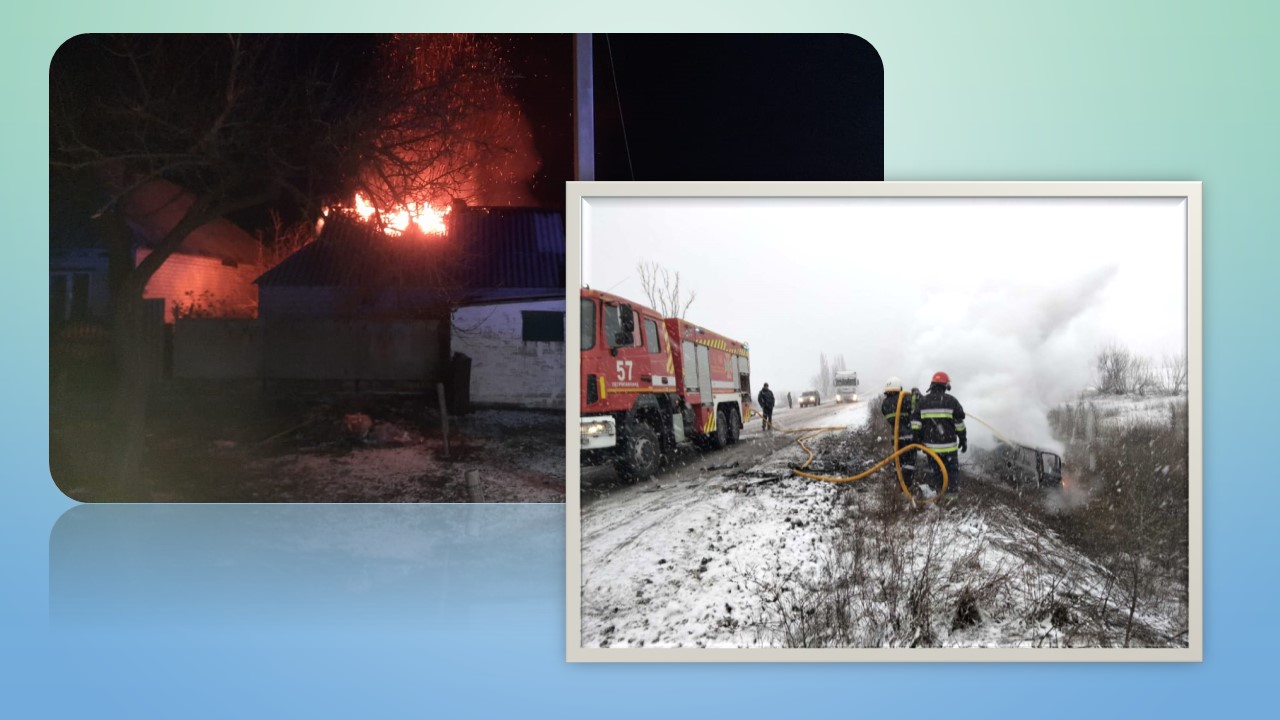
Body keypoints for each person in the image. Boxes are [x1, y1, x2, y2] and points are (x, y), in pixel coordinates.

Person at [911, 371, 967, 498]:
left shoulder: (923, 402)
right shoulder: (951, 401)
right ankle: (951, 500)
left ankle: (939, 495)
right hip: (950, 448)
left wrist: (917, 438)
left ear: (932, 385)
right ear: (945, 386)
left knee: (938, 473)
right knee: (952, 473)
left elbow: (915, 422)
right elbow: (959, 423)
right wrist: (963, 439)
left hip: (931, 449)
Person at [879, 377, 918, 488]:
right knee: (909, 462)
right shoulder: (904, 398)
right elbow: (917, 405)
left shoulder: (885, 404)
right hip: (908, 437)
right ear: (899, 388)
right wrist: (915, 393)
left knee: (899, 462)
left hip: (896, 437)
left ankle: (899, 484)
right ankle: (907, 485)